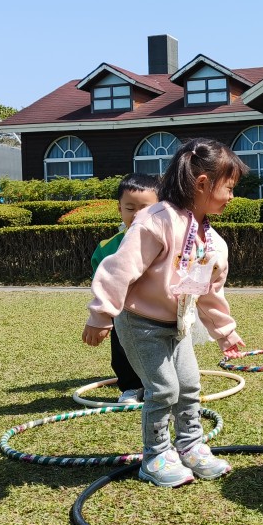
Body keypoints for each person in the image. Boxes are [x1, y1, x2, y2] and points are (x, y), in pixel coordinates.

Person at [82, 138, 248, 487]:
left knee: (189, 385)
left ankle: (190, 446)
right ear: (202, 183)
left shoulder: (214, 243)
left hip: (178, 324)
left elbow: (209, 294)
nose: (232, 196)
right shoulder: (155, 221)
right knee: (164, 389)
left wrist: (226, 333)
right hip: (140, 322)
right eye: (229, 187)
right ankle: (155, 456)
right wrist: (101, 314)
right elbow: (118, 270)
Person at [90, 173, 162, 404]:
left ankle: (162, 384)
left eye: (145, 208)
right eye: (130, 208)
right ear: (119, 208)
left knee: (163, 348)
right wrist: (102, 314)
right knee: (122, 349)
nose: (137, 215)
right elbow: (101, 279)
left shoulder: (167, 241)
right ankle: (131, 387)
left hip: (159, 309)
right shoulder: (108, 246)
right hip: (123, 311)